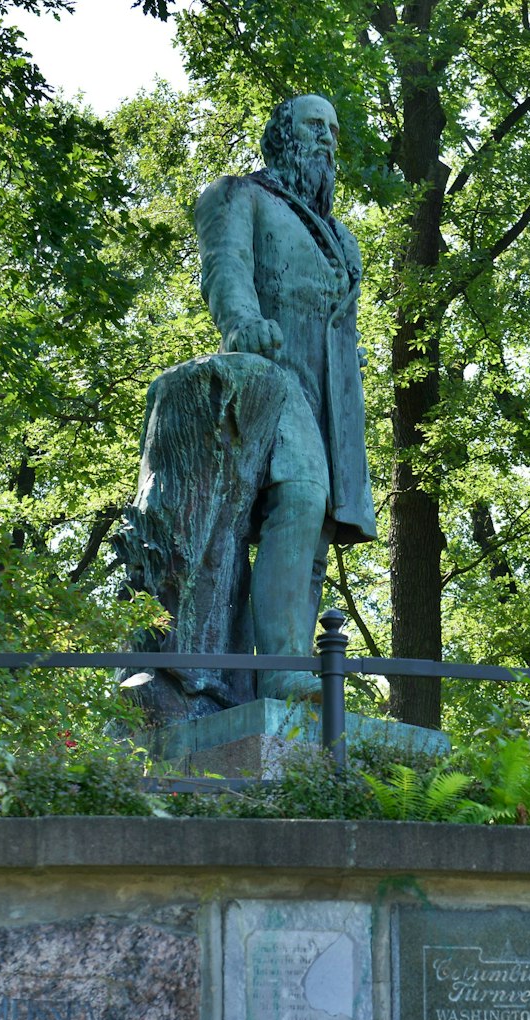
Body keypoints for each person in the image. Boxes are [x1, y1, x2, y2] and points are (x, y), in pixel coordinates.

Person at [191, 94, 376, 700]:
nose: (326, 138)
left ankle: (289, 678)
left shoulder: (341, 236)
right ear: (282, 136)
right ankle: (281, 677)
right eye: (313, 126)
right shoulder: (238, 194)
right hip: (271, 376)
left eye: (334, 128)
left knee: (316, 528)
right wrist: (243, 321)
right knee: (301, 493)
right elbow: (226, 270)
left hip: (333, 396)